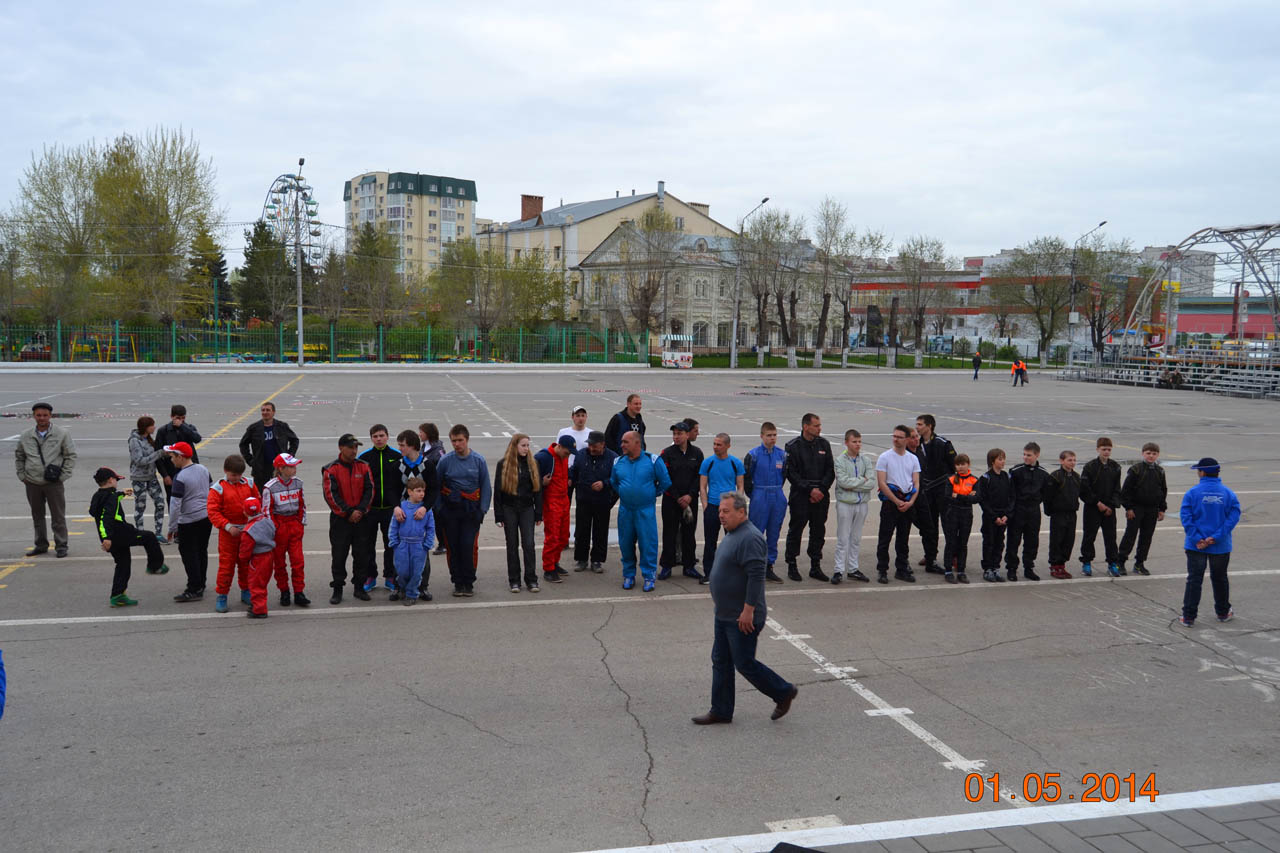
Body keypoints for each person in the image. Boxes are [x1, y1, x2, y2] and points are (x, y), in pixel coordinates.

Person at [691, 491, 798, 726]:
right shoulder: (732, 533)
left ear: (742, 512)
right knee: (721, 661)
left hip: (742, 616)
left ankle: (783, 692)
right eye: (720, 511)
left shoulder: (750, 537)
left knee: (744, 663)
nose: (721, 515)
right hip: (725, 614)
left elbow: (756, 576)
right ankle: (721, 710)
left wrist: (748, 610)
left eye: (726, 511)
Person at [90, 466, 168, 607]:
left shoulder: (99, 495)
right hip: (119, 533)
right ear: (110, 480)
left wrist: (122, 494)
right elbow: (105, 518)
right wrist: (107, 537)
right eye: (116, 480)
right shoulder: (111, 498)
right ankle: (155, 566)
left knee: (123, 563)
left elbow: (97, 510)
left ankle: (118, 595)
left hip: (111, 535)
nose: (117, 482)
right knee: (149, 537)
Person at [1179, 457, 1241, 627]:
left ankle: (1188, 616)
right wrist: (1216, 537)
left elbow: (1186, 517)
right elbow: (1233, 517)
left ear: (1202, 473)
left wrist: (1198, 538)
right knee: (1220, 578)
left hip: (1196, 545)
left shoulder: (1192, 493)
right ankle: (1223, 612)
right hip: (1220, 545)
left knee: (1194, 579)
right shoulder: (1228, 493)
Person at [610, 431, 671, 592]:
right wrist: (625, 492)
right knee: (625, 543)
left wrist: (651, 494)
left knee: (648, 544)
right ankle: (628, 575)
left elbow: (665, 482)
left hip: (645, 510)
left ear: (637, 443)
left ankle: (649, 576)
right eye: (622, 442)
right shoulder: (618, 462)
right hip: (626, 510)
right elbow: (614, 482)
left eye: (626, 442)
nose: (622, 445)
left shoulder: (653, 460)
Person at [435, 425, 492, 597]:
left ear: (467, 439)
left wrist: (482, 510)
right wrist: (439, 509)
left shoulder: (478, 460)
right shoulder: (445, 461)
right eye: (454, 441)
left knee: (469, 546)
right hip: (450, 511)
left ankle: (468, 581)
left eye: (460, 440)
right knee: (453, 547)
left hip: (471, 511)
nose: (457, 444)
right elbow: (436, 486)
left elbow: (486, 486)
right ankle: (457, 582)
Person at [15, 401, 77, 558]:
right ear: (33, 416)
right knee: (37, 516)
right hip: (32, 482)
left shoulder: (61, 433)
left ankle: (61, 545)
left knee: (58, 517)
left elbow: (70, 456)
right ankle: (41, 545)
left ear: (50, 416)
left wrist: (63, 476)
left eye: (45, 415)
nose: (41, 418)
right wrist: (22, 476)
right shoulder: (26, 435)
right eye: (38, 415)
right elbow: (19, 456)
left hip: (54, 483)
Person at [322, 434, 374, 604]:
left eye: (356, 447)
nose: (354, 451)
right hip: (340, 520)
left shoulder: (364, 466)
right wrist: (348, 512)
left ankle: (359, 587)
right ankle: (337, 589)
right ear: (341, 448)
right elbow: (331, 496)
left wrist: (360, 511)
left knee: (362, 555)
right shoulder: (331, 469)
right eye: (350, 447)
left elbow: (370, 491)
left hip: (361, 519)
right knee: (339, 556)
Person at [784, 413, 835, 581]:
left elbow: (830, 470)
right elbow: (792, 473)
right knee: (796, 530)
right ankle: (792, 564)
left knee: (818, 531)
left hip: (821, 496)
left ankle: (815, 565)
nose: (819, 428)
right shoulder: (793, 446)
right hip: (801, 496)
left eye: (819, 425)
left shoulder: (824, 444)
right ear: (806, 427)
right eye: (816, 425)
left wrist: (821, 489)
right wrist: (809, 490)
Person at [206, 454, 261, 613]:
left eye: (239, 475)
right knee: (226, 567)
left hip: (247, 532)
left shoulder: (249, 483)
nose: (236, 478)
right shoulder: (218, 488)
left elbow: (257, 501)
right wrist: (228, 527)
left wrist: (254, 517)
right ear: (225, 471)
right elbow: (213, 512)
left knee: (246, 564)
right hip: (228, 535)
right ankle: (222, 595)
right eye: (233, 475)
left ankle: (246, 591)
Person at [494, 434, 543, 593]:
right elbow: (498, 491)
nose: (526, 448)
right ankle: (514, 580)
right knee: (512, 545)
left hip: (527, 509)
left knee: (529, 544)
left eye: (528, 445)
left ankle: (531, 579)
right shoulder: (503, 464)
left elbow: (538, 490)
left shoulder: (533, 463)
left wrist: (538, 513)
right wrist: (498, 515)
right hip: (509, 508)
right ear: (514, 446)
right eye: (523, 445)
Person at [164, 441, 212, 602]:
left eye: (172, 456)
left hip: (188, 522)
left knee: (189, 555)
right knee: (201, 551)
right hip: (205, 519)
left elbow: (175, 505)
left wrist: (172, 528)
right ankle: (201, 583)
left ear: (181, 457)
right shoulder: (203, 469)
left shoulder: (180, 477)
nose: (171, 460)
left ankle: (194, 588)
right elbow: (212, 489)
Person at [359, 424, 404, 594]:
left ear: (387, 436)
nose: (378, 439)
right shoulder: (365, 457)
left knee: (390, 544)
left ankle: (390, 576)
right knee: (367, 545)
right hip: (370, 509)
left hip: (391, 509)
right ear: (371, 438)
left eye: (381, 435)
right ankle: (370, 576)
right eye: (375, 436)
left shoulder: (396, 456)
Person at [874, 425, 921, 584]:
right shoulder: (885, 457)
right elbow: (882, 482)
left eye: (899, 437)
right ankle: (882, 570)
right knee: (884, 538)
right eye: (894, 436)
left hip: (907, 503)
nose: (896, 439)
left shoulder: (913, 459)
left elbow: (916, 482)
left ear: (906, 439)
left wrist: (911, 502)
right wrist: (896, 501)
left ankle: (901, 569)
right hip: (890, 503)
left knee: (903, 539)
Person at [395, 430, 439, 600]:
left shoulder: (427, 465)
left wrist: (425, 508)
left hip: (421, 513)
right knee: (400, 556)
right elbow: (392, 489)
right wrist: (396, 507)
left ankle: (423, 587)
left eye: (402, 445)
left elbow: (434, 490)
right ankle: (400, 587)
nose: (400, 448)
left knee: (422, 555)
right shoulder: (397, 465)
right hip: (402, 514)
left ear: (412, 446)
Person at [262, 452, 309, 607]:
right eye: (291, 466)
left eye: (294, 466)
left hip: (294, 525)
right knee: (279, 563)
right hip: (279, 527)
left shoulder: (299, 483)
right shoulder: (270, 487)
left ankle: (299, 592)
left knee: (298, 561)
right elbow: (267, 511)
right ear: (281, 469)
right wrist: (274, 528)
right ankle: (284, 591)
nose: (295, 469)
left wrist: (300, 523)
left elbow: (302, 505)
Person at [699, 433, 746, 587]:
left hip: (730, 508)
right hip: (713, 507)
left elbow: (740, 486)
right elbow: (702, 487)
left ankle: (733, 573)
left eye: (719, 444)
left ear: (727, 446)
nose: (715, 447)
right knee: (710, 542)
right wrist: (705, 506)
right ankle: (709, 573)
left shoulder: (735, 463)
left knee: (732, 542)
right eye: (714, 444)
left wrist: (737, 506)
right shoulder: (708, 463)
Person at [659, 421, 704, 581]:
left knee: (689, 534)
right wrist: (678, 497)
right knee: (669, 533)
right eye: (674, 434)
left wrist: (690, 495)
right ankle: (666, 566)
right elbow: (664, 477)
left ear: (687, 435)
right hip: (672, 500)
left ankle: (689, 566)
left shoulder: (697, 453)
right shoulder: (667, 453)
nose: (676, 437)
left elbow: (699, 476)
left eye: (679, 434)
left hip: (690, 500)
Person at [744, 421, 788, 583]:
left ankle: (769, 565)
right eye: (769, 435)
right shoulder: (753, 455)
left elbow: (784, 475)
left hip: (777, 495)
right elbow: (747, 478)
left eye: (774, 435)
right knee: (756, 533)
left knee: (774, 532)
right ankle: (752, 566)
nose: (772, 438)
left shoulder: (782, 455)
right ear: (762, 436)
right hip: (760, 495)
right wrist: (755, 495)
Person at [832, 429, 876, 584]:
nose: (857, 444)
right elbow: (843, 482)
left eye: (859, 442)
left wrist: (855, 485)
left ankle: (853, 568)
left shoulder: (865, 460)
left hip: (862, 504)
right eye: (854, 442)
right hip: (845, 504)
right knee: (843, 538)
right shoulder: (840, 461)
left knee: (856, 538)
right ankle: (838, 570)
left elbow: (871, 482)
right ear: (846, 443)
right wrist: (862, 480)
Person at [914, 414, 957, 576]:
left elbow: (955, 467)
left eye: (920, 424)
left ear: (929, 426)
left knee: (948, 525)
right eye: (917, 424)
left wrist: (952, 489)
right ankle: (930, 555)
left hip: (943, 491)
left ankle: (953, 556)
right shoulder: (918, 445)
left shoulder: (942, 443)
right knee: (929, 526)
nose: (917, 427)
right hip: (927, 491)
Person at [1117, 441, 1167, 576]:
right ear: (1143, 454)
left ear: (1158, 455)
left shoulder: (1160, 471)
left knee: (1146, 537)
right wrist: (1128, 508)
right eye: (1148, 453)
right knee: (1130, 535)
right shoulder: (1135, 469)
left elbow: (1163, 490)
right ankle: (1120, 561)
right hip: (1136, 508)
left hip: (1152, 509)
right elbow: (1125, 491)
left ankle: (1139, 563)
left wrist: (1162, 509)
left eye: (1154, 454)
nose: (1151, 456)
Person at [571, 431, 616, 573]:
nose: (591, 448)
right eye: (589, 445)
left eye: (594, 446)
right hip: (583, 499)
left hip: (602, 501)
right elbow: (574, 471)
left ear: (603, 444)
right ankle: (581, 559)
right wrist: (569, 478)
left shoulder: (613, 458)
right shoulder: (581, 454)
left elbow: (617, 478)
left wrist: (604, 483)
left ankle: (597, 560)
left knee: (600, 531)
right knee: (581, 531)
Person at [534, 435, 575, 584]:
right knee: (552, 536)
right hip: (551, 502)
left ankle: (555, 563)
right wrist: (542, 483)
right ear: (560, 446)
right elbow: (531, 478)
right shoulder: (543, 457)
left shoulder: (563, 456)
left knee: (564, 537)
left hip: (564, 500)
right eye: (567, 452)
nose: (568, 456)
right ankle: (548, 568)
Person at [389, 476, 435, 605]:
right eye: (418, 491)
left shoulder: (426, 509)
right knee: (402, 571)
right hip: (402, 545)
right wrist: (394, 543)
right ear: (409, 492)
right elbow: (393, 526)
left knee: (416, 572)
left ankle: (412, 593)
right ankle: (402, 588)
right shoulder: (401, 507)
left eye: (423, 491)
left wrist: (427, 544)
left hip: (419, 545)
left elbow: (431, 528)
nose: (422, 494)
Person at [1006, 442, 1048, 581]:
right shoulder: (1015, 471)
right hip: (1018, 510)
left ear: (1037, 455)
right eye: (1024, 454)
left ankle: (1028, 567)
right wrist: (1010, 511)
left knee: (1032, 540)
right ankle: (1011, 568)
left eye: (1029, 455)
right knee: (1014, 540)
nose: (1025, 457)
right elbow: (1010, 493)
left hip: (1034, 510)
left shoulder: (1043, 473)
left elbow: (1045, 493)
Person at [238, 401, 299, 490]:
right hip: (261, 468)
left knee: (280, 490)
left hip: (279, 467)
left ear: (273, 412)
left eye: (268, 410)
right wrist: (251, 461)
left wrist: (288, 457)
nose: (265, 412)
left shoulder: (282, 426)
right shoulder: (254, 428)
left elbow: (294, 441)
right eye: (263, 410)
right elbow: (243, 444)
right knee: (261, 492)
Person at [976, 448, 1015, 583]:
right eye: (1000, 459)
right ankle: (988, 569)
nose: (1003, 462)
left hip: (1003, 516)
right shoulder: (985, 478)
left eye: (1003, 459)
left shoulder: (1007, 477)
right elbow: (983, 500)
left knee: (999, 543)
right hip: (990, 517)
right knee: (989, 543)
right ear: (992, 461)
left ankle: (996, 567)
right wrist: (994, 517)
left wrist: (1007, 515)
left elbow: (1012, 497)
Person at [1042, 450, 1082, 579]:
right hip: (1058, 513)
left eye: (1074, 460)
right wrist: (1050, 511)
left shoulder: (1076, 477)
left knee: (1068, 540)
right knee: (1057, 540)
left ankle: (1062, 564)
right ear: (1061, 461)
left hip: (1071, 513)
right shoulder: (1055, 476)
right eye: (1069, 460)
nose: (1072, 463)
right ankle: (1055, 566)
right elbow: (1048, 496)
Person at [942, 454, 979, 584]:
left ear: (968, 464)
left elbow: (976, 499)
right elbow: (948, 497)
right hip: (952, 513)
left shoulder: (974, 480)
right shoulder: (951, 479)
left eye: (963, 464)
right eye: (958, 464)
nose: (960, 467)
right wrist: (966, 496)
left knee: (963, 543)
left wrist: (958, 496)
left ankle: (961, 571)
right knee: (950, 542)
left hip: (966, 514)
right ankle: (948, 570)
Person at [128, 416, 165, 537]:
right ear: (146, 427)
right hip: (139, 479)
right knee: (140, 506)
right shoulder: (134, 441)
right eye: (152, 425)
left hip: (151, 477)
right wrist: (159, 454)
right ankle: (140, 534)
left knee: (160, 504)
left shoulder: (148, 439)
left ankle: (158, 533)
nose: (154, 427)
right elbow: (139, 460)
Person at [241, 496, 277, 619]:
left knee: (256, 584)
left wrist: (243, 560)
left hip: (258, 559)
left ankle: (259, 609)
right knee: (263, 582)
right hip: (269, 556)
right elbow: (274, 532)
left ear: (245, 512)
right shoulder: (267, 521)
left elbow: (245, 550)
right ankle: (257, 603)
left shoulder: (248, 530)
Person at [154, 405, 201, 500]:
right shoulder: (163, 431)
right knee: (173, 498)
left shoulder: (189, 428)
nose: (181, 421)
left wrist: (182, 427)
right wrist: (165, 475)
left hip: (189, 469)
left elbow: (197, 439)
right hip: (171, 471)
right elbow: (157, 455)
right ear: (172, 417)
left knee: (191, 497)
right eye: (178, 418)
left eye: (183, 418)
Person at [420, 422, 448, 556]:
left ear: (428, 433)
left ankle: (443, 543)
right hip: (424, 488)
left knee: (438, 517)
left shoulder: (438, 450)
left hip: (436, 489)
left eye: (421, 432)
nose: (419, 434)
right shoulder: (423, 447)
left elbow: (443, 469)